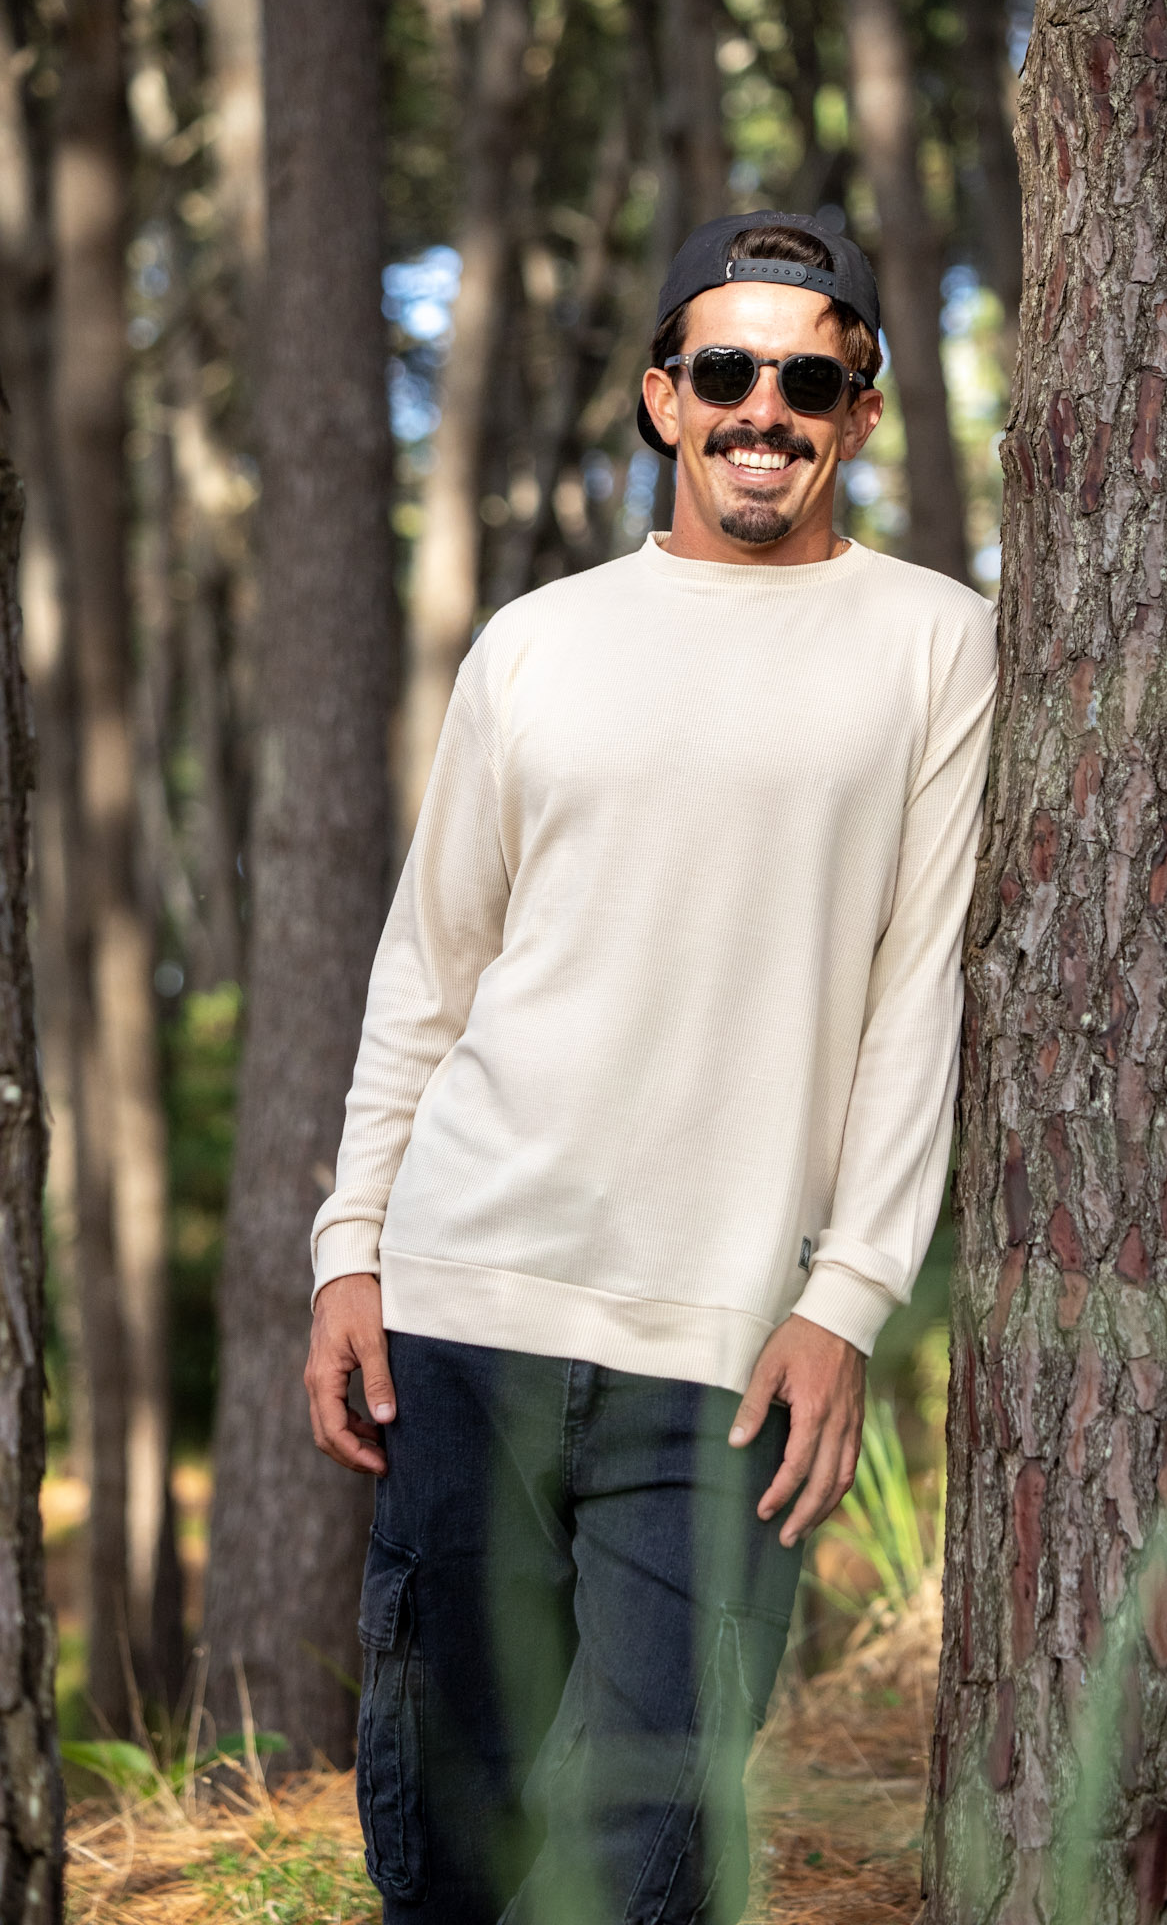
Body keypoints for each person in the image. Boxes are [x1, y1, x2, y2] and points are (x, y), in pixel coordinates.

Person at [304, 211, 998, 1924]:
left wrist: (847, 1300)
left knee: (649, 1864)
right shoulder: (535, 641)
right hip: (463, 1307)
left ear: (860, 414)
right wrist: (348, 1250)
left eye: (811, 380)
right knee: (445, 1849)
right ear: (663, 396)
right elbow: (432, 972)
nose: (766, 408)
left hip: (726, 1356)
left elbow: (919, 989)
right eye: (728, 369)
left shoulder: (936, 643)